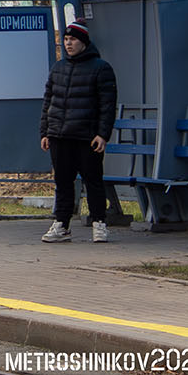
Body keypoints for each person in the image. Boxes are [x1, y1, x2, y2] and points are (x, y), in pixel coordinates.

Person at [39, 19, 117, 243]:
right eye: (65, 39)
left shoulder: (101, 68)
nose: (68, 43)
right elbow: (48, 101)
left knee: (93, 180)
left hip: (87, 135)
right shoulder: (58, 68)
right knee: (63, 181)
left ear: (83, 42)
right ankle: (61, 224)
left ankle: (99, 223)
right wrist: (45, 131)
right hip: (59, 135)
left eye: (73, 39)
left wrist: (103, 134)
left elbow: (107, 105)